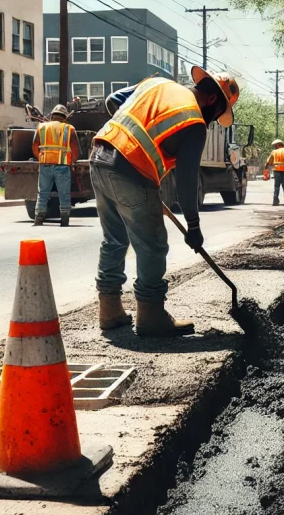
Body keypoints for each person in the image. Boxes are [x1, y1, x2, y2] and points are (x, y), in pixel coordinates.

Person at [89, 66, 239, 336]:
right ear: (214, 101)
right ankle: (150, 314)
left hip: (100, 156)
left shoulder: (156, 84)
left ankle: (109, 310)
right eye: (216, 117)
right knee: (153, 244)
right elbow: (186, 182)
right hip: (130, 169)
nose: (212, 122)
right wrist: (193, 226)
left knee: (115, 239)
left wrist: (126, 138)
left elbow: (113, 100)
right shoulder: (194, 123)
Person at [32, 104, 81, 227]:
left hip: (45, 164)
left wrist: (41, 158)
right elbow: (75, 149)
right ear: (64, 117)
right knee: (64, 193)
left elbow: (34, 146)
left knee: (42, 193)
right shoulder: (69, 129)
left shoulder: (42, 127)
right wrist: (72, 162)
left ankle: (38, 219)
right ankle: (64, 220)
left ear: (52, 115)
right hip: (63, 166)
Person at [265, 139, 284, 206]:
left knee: (276, 187)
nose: (275, 147)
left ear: (278, 145)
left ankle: (275, 201)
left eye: (275, 145)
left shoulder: (274, 152)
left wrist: (266, 167)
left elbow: (269, 162)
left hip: (277, 171)